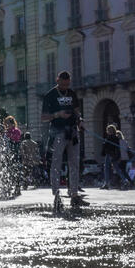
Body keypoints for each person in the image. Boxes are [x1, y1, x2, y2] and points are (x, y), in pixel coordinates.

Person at [41, 71, 88, 209]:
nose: (65, 86)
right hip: (57, 132)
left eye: (67, 84)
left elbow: (77, 112)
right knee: (56, 165)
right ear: (57, 80)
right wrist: (58, 114)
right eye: (62, 84)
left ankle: (74, 195)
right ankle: (56, 195)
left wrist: (80, 120)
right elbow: (43, 117)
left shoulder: (72, 93)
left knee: (74, 164)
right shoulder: (50, 95)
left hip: (73, 132)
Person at [101, 125, 128, 190]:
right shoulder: (112, 137)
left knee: (108, 169)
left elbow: (113, 147)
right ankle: (125, 180)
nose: (108, 131)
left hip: (110, 154)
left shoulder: (112, 138)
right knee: (115, 168)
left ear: (112, 130)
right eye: (108, 130)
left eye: (109, 130)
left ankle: (107, 183)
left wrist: (105, 144)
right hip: (110, 154)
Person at [3, 116, 23, 197]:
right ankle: (7, 187)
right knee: (8, 171)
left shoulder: (16, 131)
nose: (6, 126)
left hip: (15, 154)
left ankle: (17, 188)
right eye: (5, 124)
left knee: (16, 171)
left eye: (7, 124)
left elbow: (16, 138)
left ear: (12, 124)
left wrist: (9, 137)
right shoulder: (6, 132)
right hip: (7, 154)